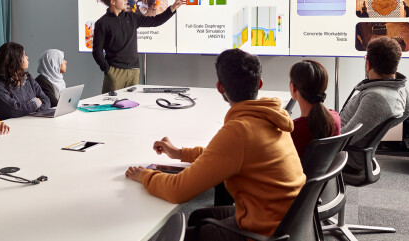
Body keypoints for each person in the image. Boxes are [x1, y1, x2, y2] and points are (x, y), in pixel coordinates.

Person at [125, 49, 305, 241]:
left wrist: (145, 175)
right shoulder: (271, 116)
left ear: (220, 87)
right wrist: (179, 153)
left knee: (183, 233)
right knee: (197, 216)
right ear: (259, 83)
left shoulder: (239, 131)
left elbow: (177, 190)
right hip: (291, 223)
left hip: (263, 234)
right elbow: (223, 155)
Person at [340, 37, 409, 173]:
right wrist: (377, 130)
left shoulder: (376, 98)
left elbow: (345, 138)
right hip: (350, 151)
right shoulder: (399, 87)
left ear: (368, 64)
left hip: (345, 157)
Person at [92, 0, 185, 93]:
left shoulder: (132, 17)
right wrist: (108, 71)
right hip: (115, 72)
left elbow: (156, 21)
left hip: (134, 71)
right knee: (110, 107)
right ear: (113, 1)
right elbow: (97, 51)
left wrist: (172, 8)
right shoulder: (102, 23)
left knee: (131, 107)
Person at [0, 42, 51, 120]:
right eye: (24, 55)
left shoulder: (28, 78)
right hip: (7, 128)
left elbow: (46, 100)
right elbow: (14, 110)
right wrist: (36, 103)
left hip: (30, 122)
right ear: (14, 59)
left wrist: (32, 113)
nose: (27, 57)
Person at [289, 60, 341, 158]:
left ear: (293, 88)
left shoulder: (293, 130)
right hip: (327, 172)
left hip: (299, 173)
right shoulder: (335, 117)